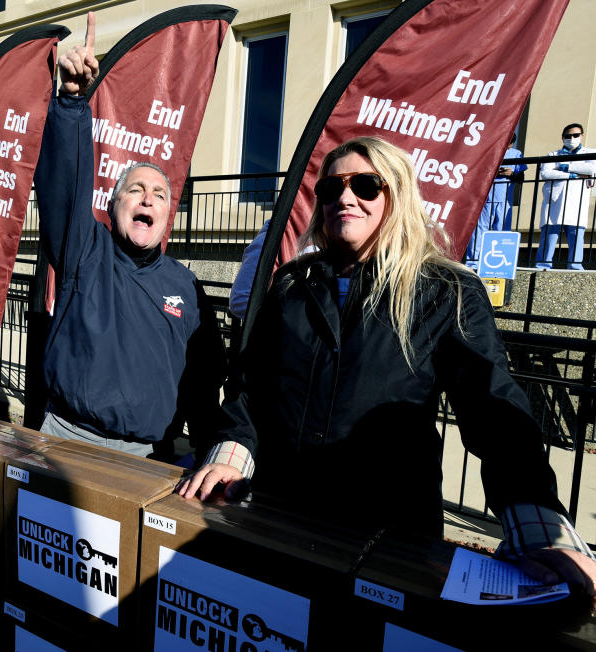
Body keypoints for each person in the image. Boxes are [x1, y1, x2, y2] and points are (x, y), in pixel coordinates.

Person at [180, 136, 596, 599]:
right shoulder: (293, 284)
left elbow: (495, 412)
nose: (345, 197)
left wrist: (541, 530)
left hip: (387, 544)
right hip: (281, 518)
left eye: (365, 185)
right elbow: (250, 388)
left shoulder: (446, 291)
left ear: (396, 195)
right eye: (331, 188)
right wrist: (231, 455)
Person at [33, 13, 225, 458]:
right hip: (67, 440)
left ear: (167, 215)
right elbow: (65, 185)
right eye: (134, 189)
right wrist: (72, 102)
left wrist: (207, 454)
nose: (147, 198)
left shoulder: (185, 286)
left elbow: (203, 380)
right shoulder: (85, 250)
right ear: (113, 205)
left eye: (159, 194)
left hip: (148, 455)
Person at [535, 123, 596, 270]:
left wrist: (564, 166)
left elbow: (591, 168)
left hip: (577, 200)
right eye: (568, 136)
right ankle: (543, 264)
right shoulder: (553, 155)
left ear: (581, 136)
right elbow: (546, 173)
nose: (572, 138)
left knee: (576, 235)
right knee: (550, 233)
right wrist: (575, 174)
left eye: (575, 135)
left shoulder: (590, 152)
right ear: (563, 138)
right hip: (555, 199)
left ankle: (575, 266)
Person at [466, 134, 526, 266]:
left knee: (502, 231)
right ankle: (473, 263)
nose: (507, 147)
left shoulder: (517, 154)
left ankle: (500, 265)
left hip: (505, 199)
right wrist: (492, 173)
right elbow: (476, 173)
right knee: (479, 231)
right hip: (486, 199)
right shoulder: (489, 151)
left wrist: (512, 174)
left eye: (509, 145)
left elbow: (521, 178)